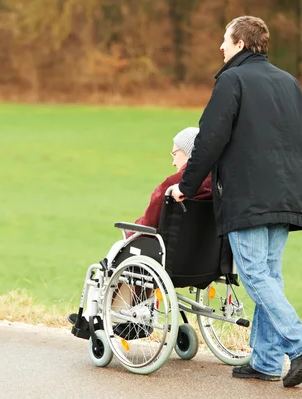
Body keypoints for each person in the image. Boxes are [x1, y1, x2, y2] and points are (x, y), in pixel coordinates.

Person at [170, 16, 302, 388]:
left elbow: (208, 141)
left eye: (225, 40)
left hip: (248, 196)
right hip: (285, 195)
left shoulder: (231, 80)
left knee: (255, 275)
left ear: (239, 42)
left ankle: (301, 344)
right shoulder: (289, 82)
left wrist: (185, 187)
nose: (220, 47)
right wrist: (279, 176)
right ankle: (267, 361)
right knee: (269, 276)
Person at [68, 127, 212, 335]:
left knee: (118, 256)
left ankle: (96, 317)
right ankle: (128, 311)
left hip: (169, 257)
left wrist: (131, 230)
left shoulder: (173, 185)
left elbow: (150, 221)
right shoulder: (218, 184)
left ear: (189, 152)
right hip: (203, 261)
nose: (173, 162)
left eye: (175, 154)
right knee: (141, 257)